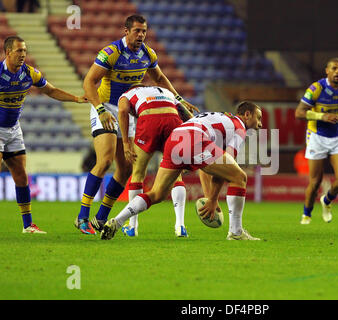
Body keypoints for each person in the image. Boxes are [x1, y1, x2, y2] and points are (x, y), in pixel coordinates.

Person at [75, 14, 198, 235]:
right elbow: (88, 81)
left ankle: (101, 217)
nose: (141, 34)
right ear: (126, 31)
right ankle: (83, 216)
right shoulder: (111, 53)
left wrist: (178, 99)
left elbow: (160, 79)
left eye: (144, 31)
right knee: (104, 160)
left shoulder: (147, 54)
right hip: (105, 106)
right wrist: (101, 110)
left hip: (129, 110)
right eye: (137, 31)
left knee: (126, 168)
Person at [100, 102, 263, 241]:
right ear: (247, 114)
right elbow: (227, 168)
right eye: (259, 118)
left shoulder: (220, 118)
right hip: (194, 137)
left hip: (175, 138)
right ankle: (236, 232)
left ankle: (117, 221)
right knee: (239, 177)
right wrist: (212, 199)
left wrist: (211, 197)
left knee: (157, 194)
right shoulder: (239, 127)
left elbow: (214, 168)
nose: (260, 124)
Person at [0, 36, 87, 233]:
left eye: (24, 51)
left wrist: (76, 98)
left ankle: (28, 225)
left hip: (13, 129)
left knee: (21, 176)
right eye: (19, 51)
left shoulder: (29, 73)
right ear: (7, 52)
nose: (23, 54)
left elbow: (51, 90)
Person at [117, 84, 193, 237]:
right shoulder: (166, 91)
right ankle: (180, 226)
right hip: (173, 121)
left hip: (149, 120)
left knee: (138, 173)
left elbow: (123, 110)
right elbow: (186, 114)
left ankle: (133, 227)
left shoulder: (127, 94)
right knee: (176, 174)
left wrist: (125, 143)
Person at [295, 57, 338, 224]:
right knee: (315, 182)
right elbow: (299, 113)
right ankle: (307, 214)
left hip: (337, 138)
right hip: (317, 137)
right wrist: (322, 116)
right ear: (327, 71)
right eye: (334, 68)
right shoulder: (316, 89)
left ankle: (326, 201)